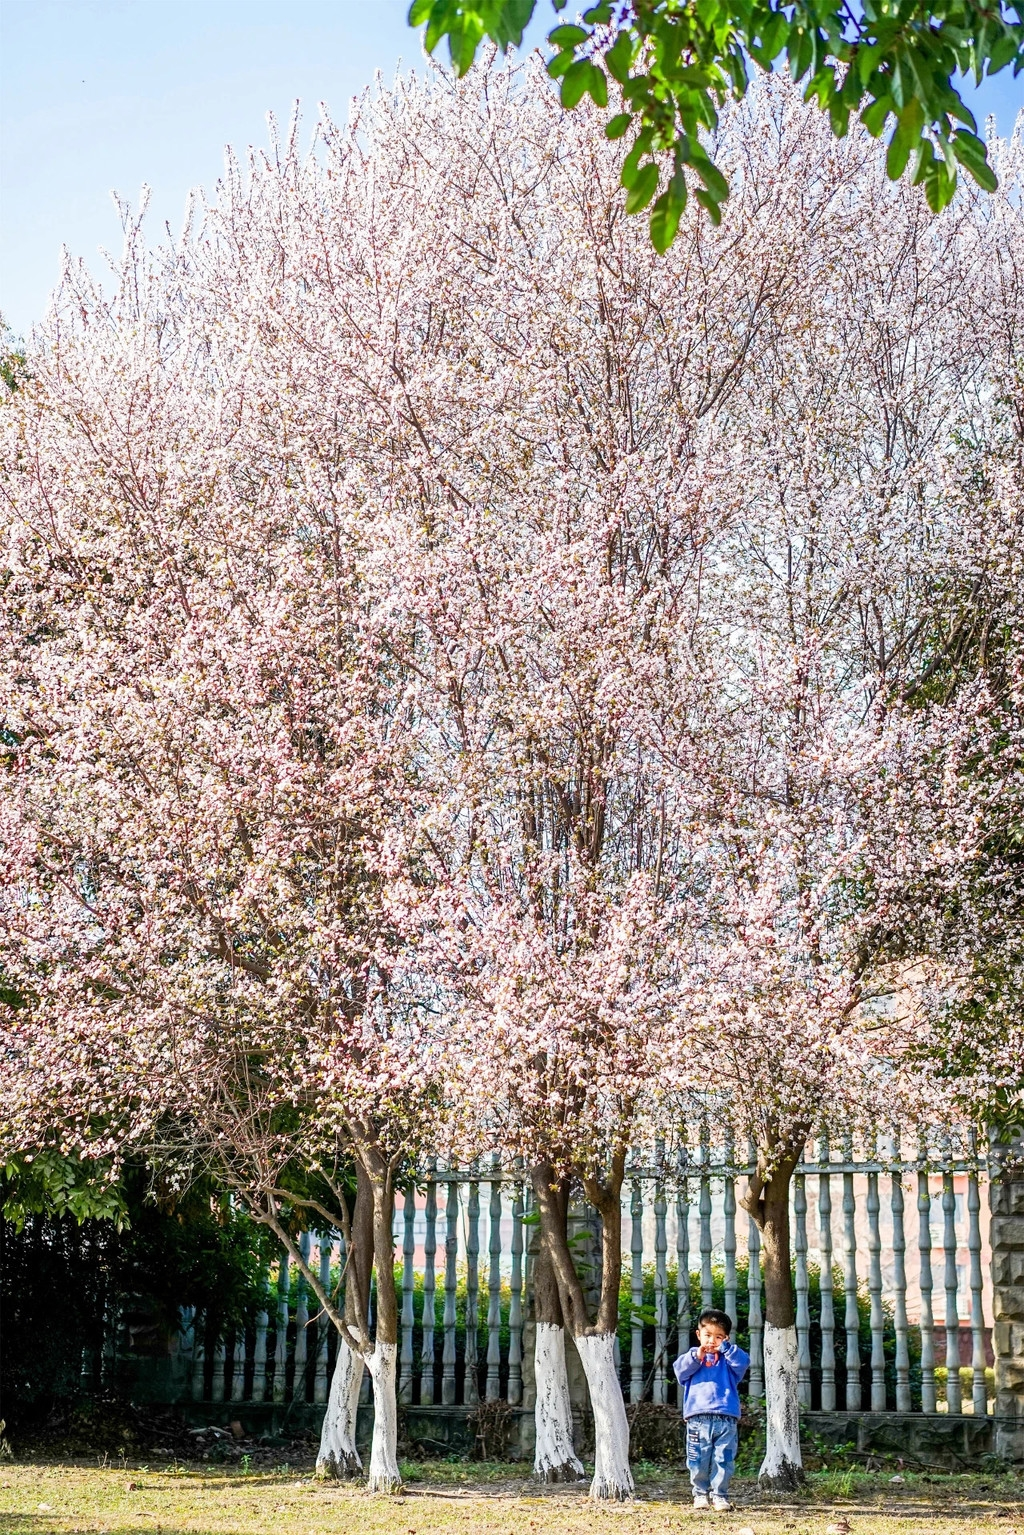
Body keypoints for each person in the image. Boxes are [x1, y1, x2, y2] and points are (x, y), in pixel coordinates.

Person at [673, 1307, 750, 1512]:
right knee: (697, 1458)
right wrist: (697, 1357)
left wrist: (726, 1348)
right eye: (707, 1335)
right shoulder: (691, 1357)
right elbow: (680, 1371)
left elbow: (743, 1362)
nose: (712, 1341)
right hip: (698, 1418)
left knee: (724, 1459)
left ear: (726, 1338)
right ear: (698, 1335)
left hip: (726, 1418)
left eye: (718, 1337)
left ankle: (720, 1495)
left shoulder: (729, 1359)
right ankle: (700, 1494)